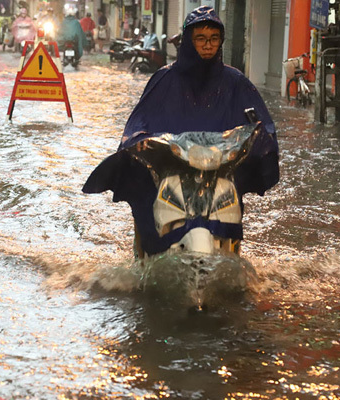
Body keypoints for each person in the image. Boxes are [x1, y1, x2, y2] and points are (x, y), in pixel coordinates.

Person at [82, 6, 279, 257]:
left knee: (233, 205)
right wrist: (142, 143)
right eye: (200, 39)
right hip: (170, 170)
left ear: (221, 42)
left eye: (214, 39)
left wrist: (260, 140)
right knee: (145, 198)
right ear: (188, 41)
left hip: (219, 171)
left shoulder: (236, 82)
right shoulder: (164, 79)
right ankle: (143, 255)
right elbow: (138, 123)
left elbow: (260, 124)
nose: (208, 45)